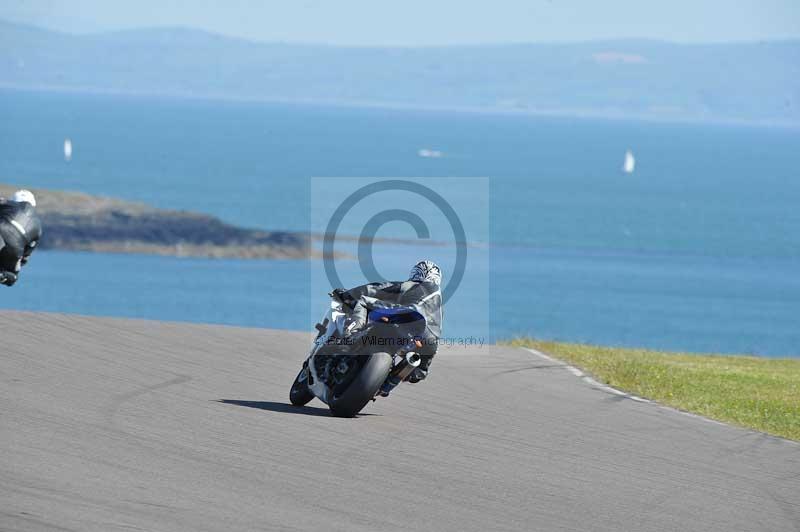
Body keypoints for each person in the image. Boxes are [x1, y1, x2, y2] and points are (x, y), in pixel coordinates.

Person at [332, 260, 443, 385]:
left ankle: (350, 336)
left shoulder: (414, 285)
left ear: (418, 273)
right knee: (419, 372)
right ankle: (390, 381)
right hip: (430, 338)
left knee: (363, 301)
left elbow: (376, 289)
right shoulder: (439, 305)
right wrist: (422, 369)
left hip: (409, 316)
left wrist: (346, 295)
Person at [0, 190, 42, 287]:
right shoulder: (39, 229)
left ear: (15, 200)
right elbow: (24, 259)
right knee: (14, 276)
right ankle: (3, 275)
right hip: (14, 251)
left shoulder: (9, 204)